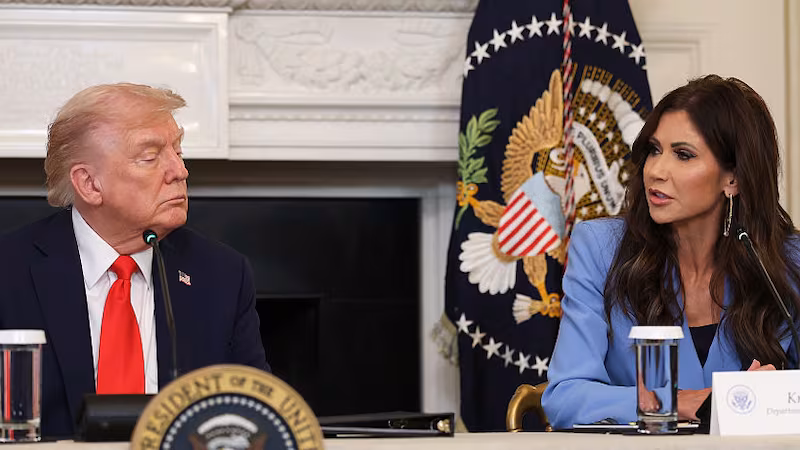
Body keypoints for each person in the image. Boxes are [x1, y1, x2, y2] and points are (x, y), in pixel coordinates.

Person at [0, 83, 269, 438]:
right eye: (151, 156)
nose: (179, 171)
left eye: (177, 150)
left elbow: (256, 414)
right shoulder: (9, 271)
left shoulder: (221, 274)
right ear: (90, 184)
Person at [541, 75, 800, 429]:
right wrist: (674, 402)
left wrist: (774, 397)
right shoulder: (600, 249)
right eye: (653, 150)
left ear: (733, 179)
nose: (656, 171)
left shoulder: (788, 262)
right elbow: (565, 396)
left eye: (683, 155)